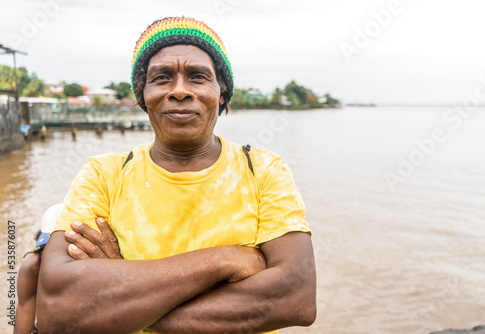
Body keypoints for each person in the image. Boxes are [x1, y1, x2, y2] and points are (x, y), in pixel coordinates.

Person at [38, 17, 316, 334]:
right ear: (142, 95)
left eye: (198, 77)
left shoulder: (262, 170)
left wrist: (116, 298)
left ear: (222, 94)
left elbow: (296, 300)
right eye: (162, 78)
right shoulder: (104, 174)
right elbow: (56, 309)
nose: (180, 91)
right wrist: (223, 260)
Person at [14, 203, 64, 334]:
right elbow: (25, 311)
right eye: (49, 247)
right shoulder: (33, 266)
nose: (54, 257)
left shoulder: (91, 264)